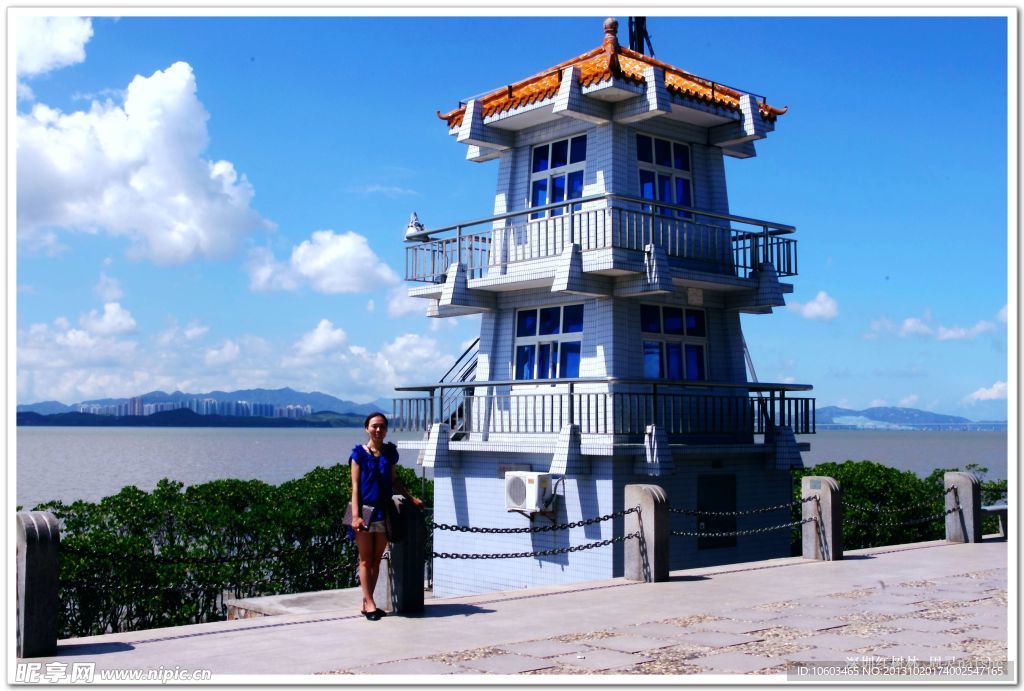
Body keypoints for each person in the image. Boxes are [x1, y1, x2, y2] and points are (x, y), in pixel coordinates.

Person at [348, 412, 423, 621]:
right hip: (363, 511)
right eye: (374, 426)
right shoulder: (358, 454)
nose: (378, 430)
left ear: (386, 429)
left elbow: (394, 480)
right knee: (364, 560)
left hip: (383, 510)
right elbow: (354, 487)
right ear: (367, 428)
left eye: (382, 426)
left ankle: (367, 602)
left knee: (376, 560)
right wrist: (355, 516)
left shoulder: (389, 453)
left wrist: (410, 497)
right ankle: (370, 603)